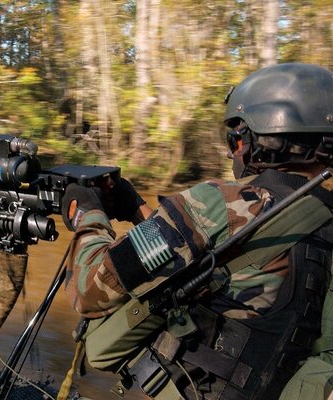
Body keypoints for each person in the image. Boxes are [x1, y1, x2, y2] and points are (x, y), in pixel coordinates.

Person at [60, 63, 333, 400]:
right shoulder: (326, 219)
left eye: (235, 138)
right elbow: (207, 253)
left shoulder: (219, 202)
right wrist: (137, 209)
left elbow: (88, 290)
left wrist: (87, 215)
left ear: (258, 140)